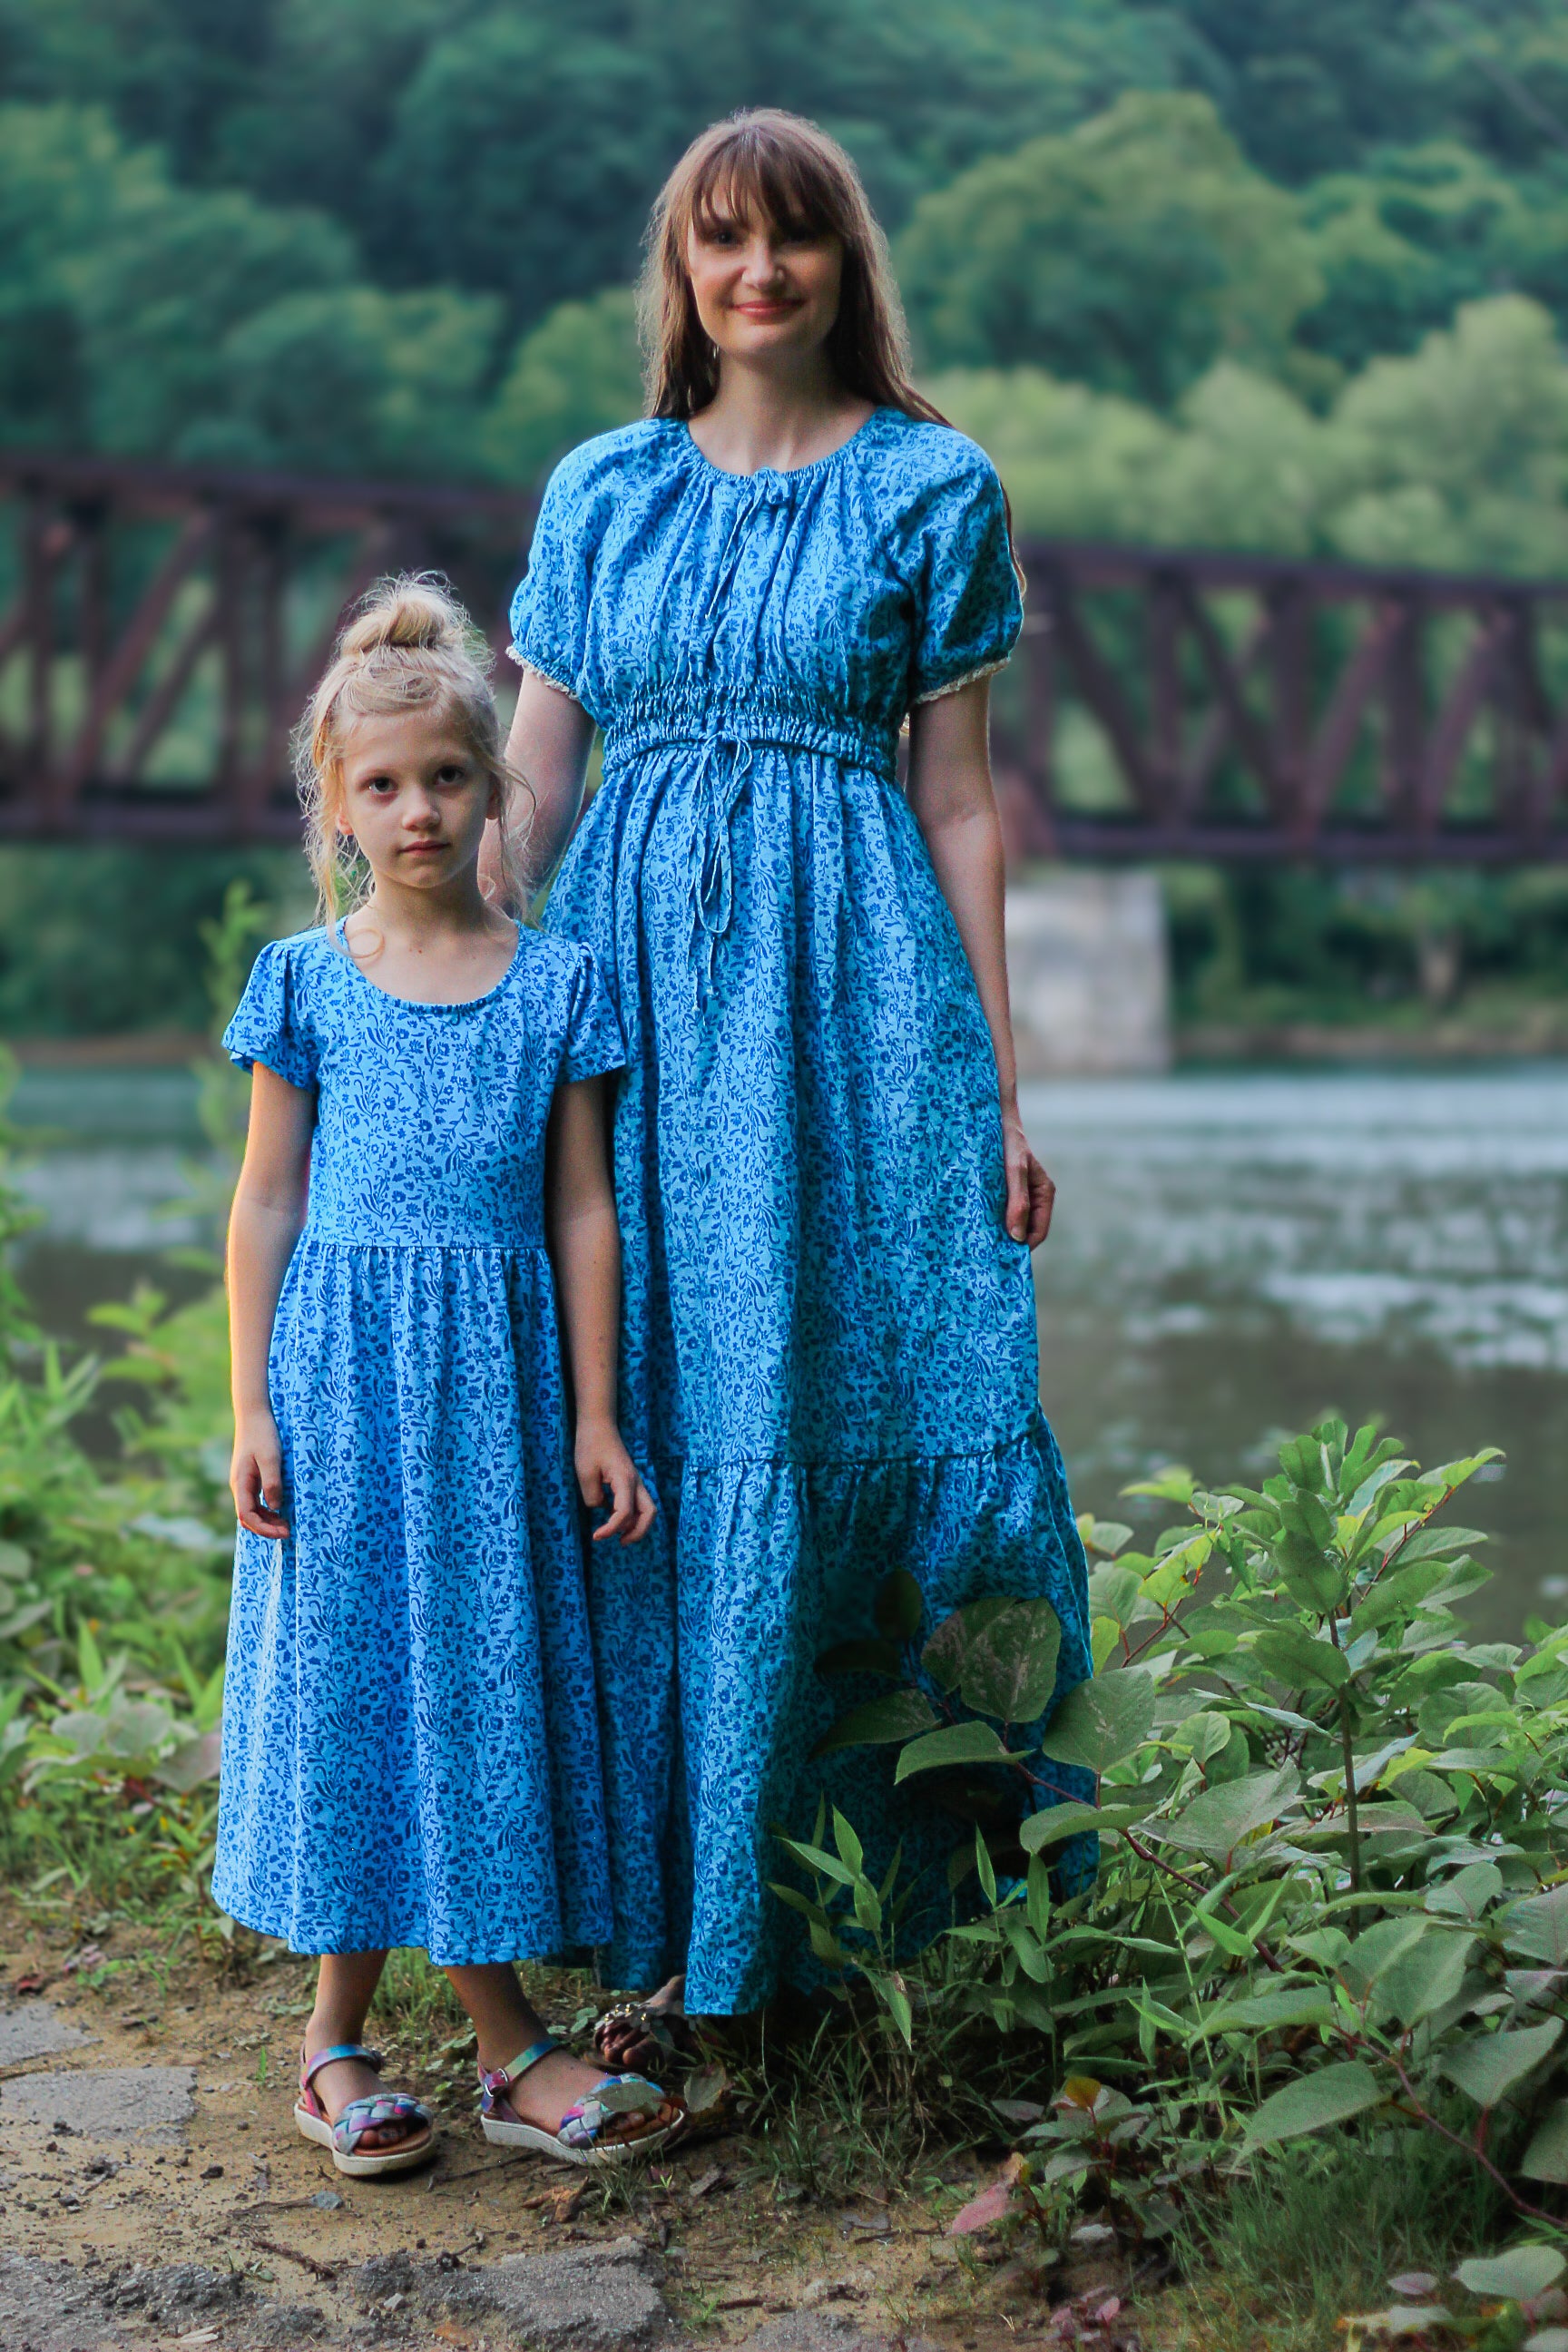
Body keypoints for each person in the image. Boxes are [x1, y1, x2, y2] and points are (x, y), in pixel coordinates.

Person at [505, 109, 1094, 2063]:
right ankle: (655, 1929)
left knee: (872, 1381)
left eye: (795, 241)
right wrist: (416, 928)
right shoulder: (602, 491)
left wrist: (1002, 1087)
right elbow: (532, 783)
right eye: (722, 242)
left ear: (847, 263)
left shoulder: (938, 487)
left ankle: (896, 1925)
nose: (758, 275)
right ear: (681, 272)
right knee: (646, 1403)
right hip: (633, 998)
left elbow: (960, 797)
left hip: (857, 1006)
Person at [215, 577, 681, 2173]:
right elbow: (268, 1197)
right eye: (384, 785)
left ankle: (399, 2046)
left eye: (450, 779)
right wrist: (252, 1404)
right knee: (360, 1687)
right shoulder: (303, 980)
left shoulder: (553, 982)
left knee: (471, 1690)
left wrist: (598, 1412)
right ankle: (433, 2048)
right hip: (343, 1390)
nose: (421, 810)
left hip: (496, 1392)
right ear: (335, 809)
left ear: (500, 786)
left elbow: (581, 1205)